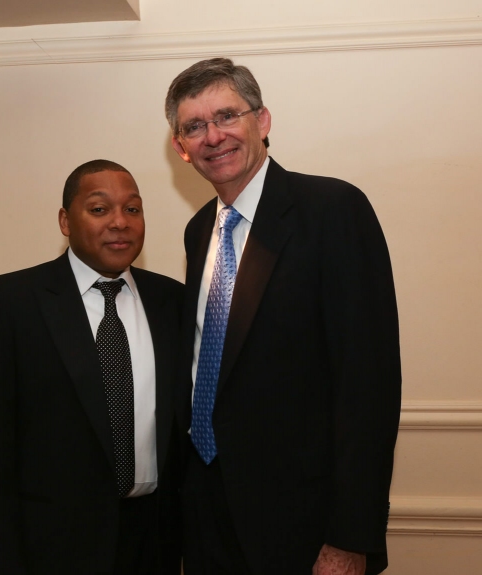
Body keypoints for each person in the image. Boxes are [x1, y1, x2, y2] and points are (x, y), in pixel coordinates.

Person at [165, 58, 401, 575]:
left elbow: (368, 386)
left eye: (227, 115)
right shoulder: (198, 230)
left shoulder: (332, 209)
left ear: (263, 120)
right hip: (206, 517)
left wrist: (349, 538)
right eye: (194, 127)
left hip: (304, 528)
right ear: (181, 148)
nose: (213, 136)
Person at [0, 160, 183, 575]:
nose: (120, 222)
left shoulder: (173, 302)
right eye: (99, 209)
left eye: (133, 209)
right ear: (65, 220)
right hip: (48, 549)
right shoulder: (9, 302)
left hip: (155, 543)